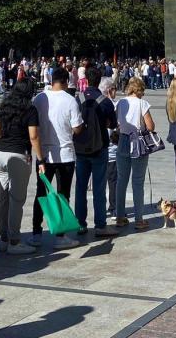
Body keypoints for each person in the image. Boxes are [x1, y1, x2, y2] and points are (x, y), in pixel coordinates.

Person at [30, 67, 83, 248]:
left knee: (40, 193)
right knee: (63, 194)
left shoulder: (39, 98)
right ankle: (60, 236)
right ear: (67, 81)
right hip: (65, 154)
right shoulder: (70, 100)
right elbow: (77, 128)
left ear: (51, 80)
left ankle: (36, 232)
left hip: (43, 154)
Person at [0, 78, 42, 255]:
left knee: (3, 197)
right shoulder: (30, 109)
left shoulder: (4, 107)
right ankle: (14, 240)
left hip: (1, 154)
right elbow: (34, 136)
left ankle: (3, 238)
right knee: (17, 200)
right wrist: (41, 159)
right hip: (18, 155)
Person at [73, 67, 122, 238]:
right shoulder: (105, 101)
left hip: (80, 149)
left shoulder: (77, 98)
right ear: (99, 79)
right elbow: (112, 124)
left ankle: (80, 224)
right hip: (100, 147)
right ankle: (100, 225)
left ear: (85, 79)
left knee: (80, 187)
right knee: (99, 188)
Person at [115, 77, 156, 229]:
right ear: (139, 90)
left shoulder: (120, 102)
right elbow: (150, 126)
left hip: (123, 141)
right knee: (138, 182)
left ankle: (120, 216)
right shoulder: (142, 103)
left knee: (121, 180)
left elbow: (117, 123)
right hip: (137, 143)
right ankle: (139, 219)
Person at [100, 78, 121, 215]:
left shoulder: (97, 103)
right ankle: (113, 208)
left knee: (100, 182)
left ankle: (102, 209)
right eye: (114, 88)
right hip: (112, 149)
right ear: (109, 90)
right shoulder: (116, 105)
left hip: (99, 149)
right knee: (113, 181)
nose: (116, 91)